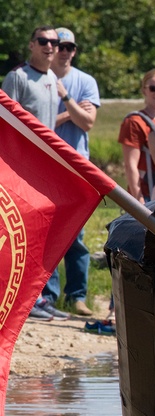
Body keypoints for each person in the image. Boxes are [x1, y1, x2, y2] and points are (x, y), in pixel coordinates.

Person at [3, 26, 69, 322]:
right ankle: (22, 296)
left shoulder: (53, 78)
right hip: (20, 168)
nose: (50, 46)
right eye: (43, 41)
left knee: (46, 229)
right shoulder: (18, 76)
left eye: (54, 42)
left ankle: (40, 297)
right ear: (32, 45)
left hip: (46, 167)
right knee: (23, 231)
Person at [43, 27, 101, 317]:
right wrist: (72, 112)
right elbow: (38, 124)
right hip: (46, 167)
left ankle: (77, 296)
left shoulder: (85, 81)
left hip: (77, 167)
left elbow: (88, 123)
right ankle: (48, 296)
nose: (63, 51)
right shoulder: (38, 79)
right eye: (58, 45)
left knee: (75, 234)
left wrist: (65, 99)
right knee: (49, 231)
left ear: (74, 51)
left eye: (69, 47)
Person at [118, 69, 155, 202]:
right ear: (144, 91)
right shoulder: (134, 122)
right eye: (153, 88)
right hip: (147, 193)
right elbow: (131, 166)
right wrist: (138, 199)